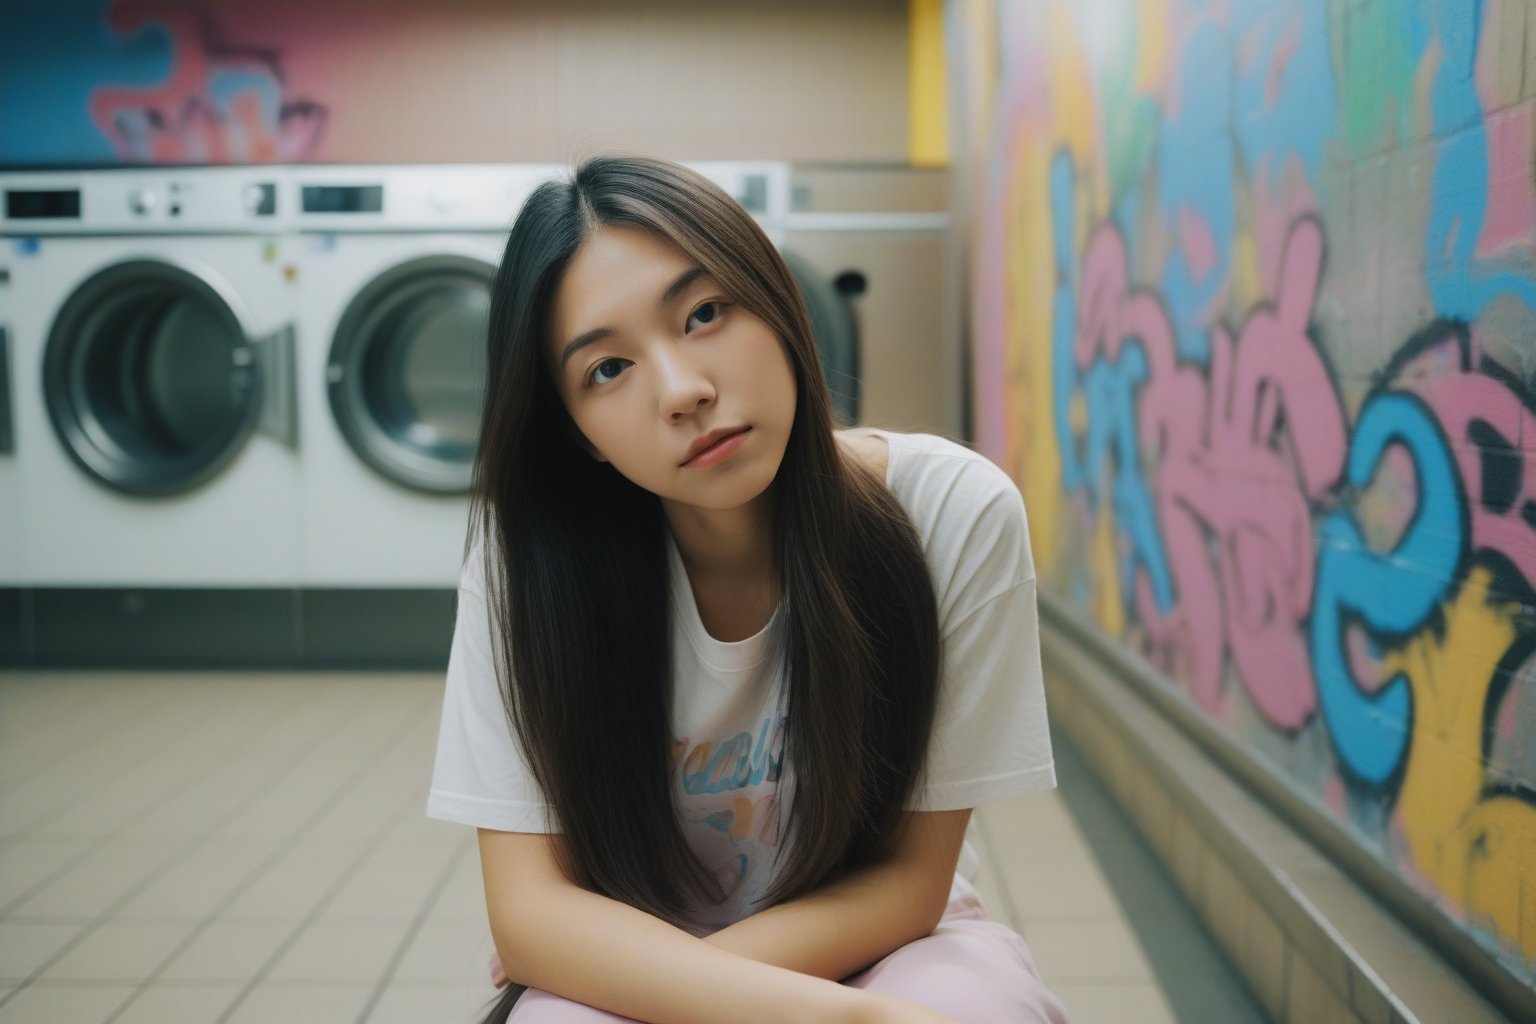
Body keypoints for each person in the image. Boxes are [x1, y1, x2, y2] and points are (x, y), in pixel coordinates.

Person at [427, 156, 1070, 1024]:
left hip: (883, 943)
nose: (685, 392)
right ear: (576, 432)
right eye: (607, 370)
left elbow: (912, 885)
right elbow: (531, 913)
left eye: (703, 314)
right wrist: (845, 1021)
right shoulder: (528, 561)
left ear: (777, 301)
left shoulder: (949, 512)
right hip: (630, 951)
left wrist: (690, 986)